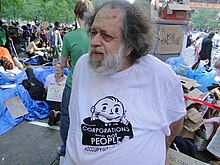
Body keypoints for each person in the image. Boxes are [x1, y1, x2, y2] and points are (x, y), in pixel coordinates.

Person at [63, 0, 186, 165]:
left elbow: (175, 119)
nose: (94, 42)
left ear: (130, 45)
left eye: (106, 36)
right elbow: (76, 117)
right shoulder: (83, 66)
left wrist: (162, 149)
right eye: (94, 32)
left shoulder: (159, 75)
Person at [59, 0, 94, 156]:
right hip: (95, 84)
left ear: (76, 15)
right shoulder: (97, 35)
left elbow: (63, 64)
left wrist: (68, 62)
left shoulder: (69, 37)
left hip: (74, 83)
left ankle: (67, 148)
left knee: (67, 116)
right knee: (89, 118)